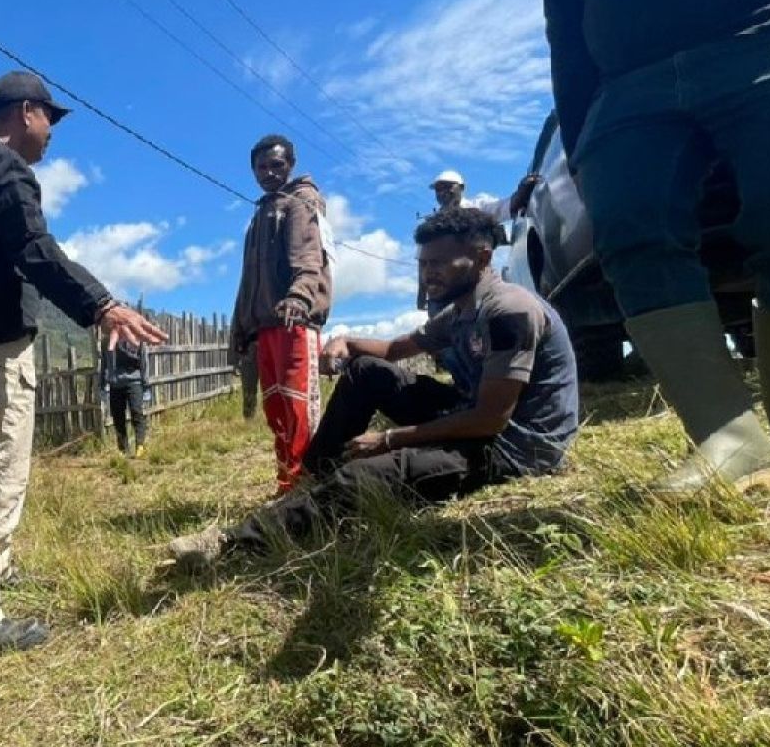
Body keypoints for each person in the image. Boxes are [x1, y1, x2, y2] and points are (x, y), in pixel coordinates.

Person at [532, 0, 770, 492]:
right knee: (630, 228)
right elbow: (567, 38)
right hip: (627, 81)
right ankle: (730, 438)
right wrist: (578, 145)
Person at [170, 208, 579, 568]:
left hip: (515, 447)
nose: (427, 273)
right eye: (423, 263)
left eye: (439, 263)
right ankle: (312, 483)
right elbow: (392, 349)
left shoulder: (509, 311)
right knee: (367, 370)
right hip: (476, 415)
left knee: (367, 474)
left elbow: (491, 421)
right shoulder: (460, 311)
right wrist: (344, 341)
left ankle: (231, 543)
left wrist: (390, 439)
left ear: (481, 259)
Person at [0, 70, 166, 655]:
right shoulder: (5, 168)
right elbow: (36, 251)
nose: (53, 134)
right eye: (50, 118)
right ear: (25, 112)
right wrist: (102, 305)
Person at [231, 134, 333, 494]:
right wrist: (241, 330)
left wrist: (299, 296)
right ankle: (287, 484)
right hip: (266, 328)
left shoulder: (301, 204)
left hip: (294, 322)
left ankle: (311, 488)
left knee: (299, 407)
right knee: (276, 407)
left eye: (277, 165)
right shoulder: (261, 215)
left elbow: (309, 258)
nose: (269, 173)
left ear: (290, 165)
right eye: (262, 167)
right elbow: (248, 282)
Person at [419, 170, 539, 312]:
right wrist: (421, 293)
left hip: (472, 287)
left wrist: (522, 191)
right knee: (442, 331)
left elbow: (507, 206)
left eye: (447, 186)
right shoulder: (432, 223)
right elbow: (422, 260)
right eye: (438, 189)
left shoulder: (478, 208)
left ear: (461, 188)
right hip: (442, 294)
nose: (442, 192)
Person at [100, 336, 151, 457]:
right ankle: (123, 450)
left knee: (137, 413)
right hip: (115, 384)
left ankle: (140, 445)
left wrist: (146, 385)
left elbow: (144, 361)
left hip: (134, 382)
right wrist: (103, 385)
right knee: (118, 418)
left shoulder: (137, 339)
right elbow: (104, 363)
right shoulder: (106, 341)